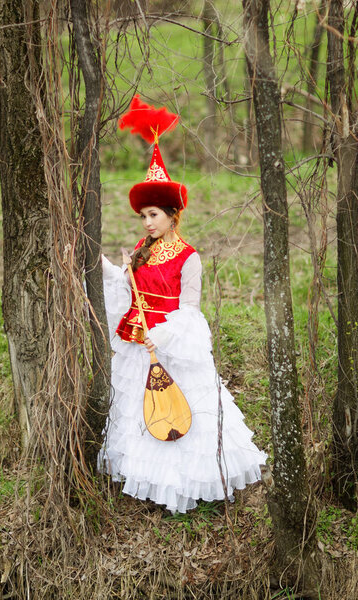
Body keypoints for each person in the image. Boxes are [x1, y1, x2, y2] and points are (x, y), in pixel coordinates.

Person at [98, 96, 267, 513]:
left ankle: (188, 489)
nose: (147, 222)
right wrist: (98, 265)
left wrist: (162, 336)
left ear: (173, 215)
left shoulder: (188, 257)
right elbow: (126, 287)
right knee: (139, 408)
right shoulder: (140, 249)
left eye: (154, 214)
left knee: (182, 409)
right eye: (143, 216)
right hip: (139, 343)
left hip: (169, 343)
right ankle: (149, 485)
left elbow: (189, 310)